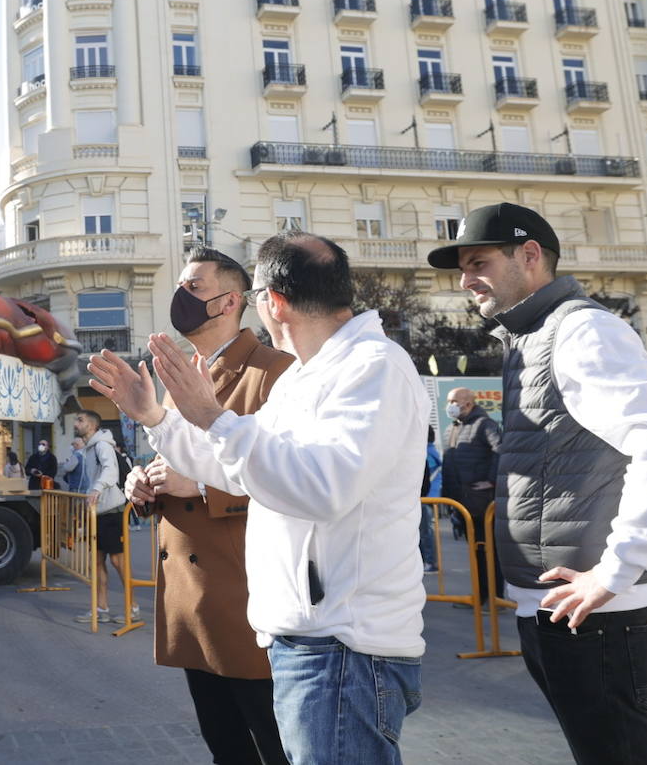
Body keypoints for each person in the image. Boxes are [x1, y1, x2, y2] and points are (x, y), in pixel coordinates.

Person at [89, 231, 428, 764]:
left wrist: (214, 419)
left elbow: (322, 486)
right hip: (304, 638)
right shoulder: (313, 375)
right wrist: (156, 419)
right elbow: (238, 465)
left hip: (343, 648)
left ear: (271, 302)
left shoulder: (372, 366)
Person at [427, 201, 647, 765]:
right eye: (461, 267)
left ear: (529, 255)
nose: (465, 280)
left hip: (603, 613)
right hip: (564, 607)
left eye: (478, 262)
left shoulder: (581, 331)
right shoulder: (531, 337)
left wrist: (615, 571)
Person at [122, 246, 293, 765]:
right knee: (226, 747)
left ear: (229, 301)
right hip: (193, 600)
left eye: (193, 287)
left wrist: (197, 486)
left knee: (276, 747)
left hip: (244, 596)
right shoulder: (178, 375)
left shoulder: (273, 372)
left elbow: (292, 480)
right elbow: (171, 458)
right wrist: (143, 484)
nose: (181, 296)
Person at [442, 387, 503, 601]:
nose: (449, 405)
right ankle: (480, 596)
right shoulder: (452, 429)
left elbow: (501, 451)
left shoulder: (485, 425)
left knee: (489, 552)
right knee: (475, 553)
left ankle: (494, 598)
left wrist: (491, 481)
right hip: (460, 502)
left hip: (481, 503)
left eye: (453, 401)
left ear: (468, 403)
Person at [70, 411, 130, 627]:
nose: (76, 423)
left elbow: (110, 471)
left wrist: (96, 489)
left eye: (80, 420)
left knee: (118, 562)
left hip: (112, 510)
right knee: (97, 563)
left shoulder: (102, 445)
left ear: (93, 425)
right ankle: (101, 608)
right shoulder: (88, 449)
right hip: (98, 512)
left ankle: (132, 608)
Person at [419, 427, 441, 574]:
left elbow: (425, 478)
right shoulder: (430, 451)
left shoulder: (426, 453)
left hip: (426, 497)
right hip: (428, 496)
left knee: (425, 532)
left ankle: (430, 562)